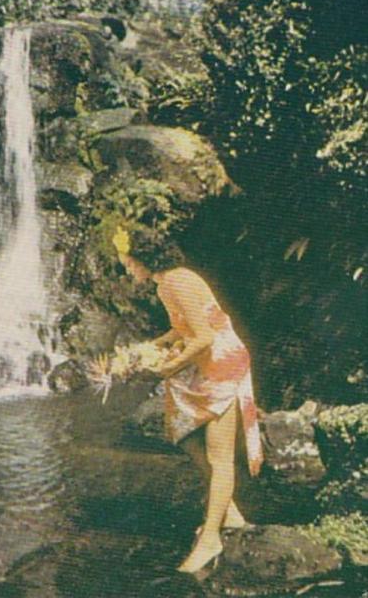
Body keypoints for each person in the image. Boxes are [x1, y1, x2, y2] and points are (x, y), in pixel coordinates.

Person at [113, 228, 263, 574]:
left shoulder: (176, 282)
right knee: (184, 434)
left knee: (218, 455)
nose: (128, 271)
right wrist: (153, 347)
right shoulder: (166, 283)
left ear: (143, 259)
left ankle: (211, 538)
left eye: (128, 263)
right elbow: (184, 330)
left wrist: (169, 366)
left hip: (223, 362)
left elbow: (206, 336)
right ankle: (230, 514)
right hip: (206, 361)